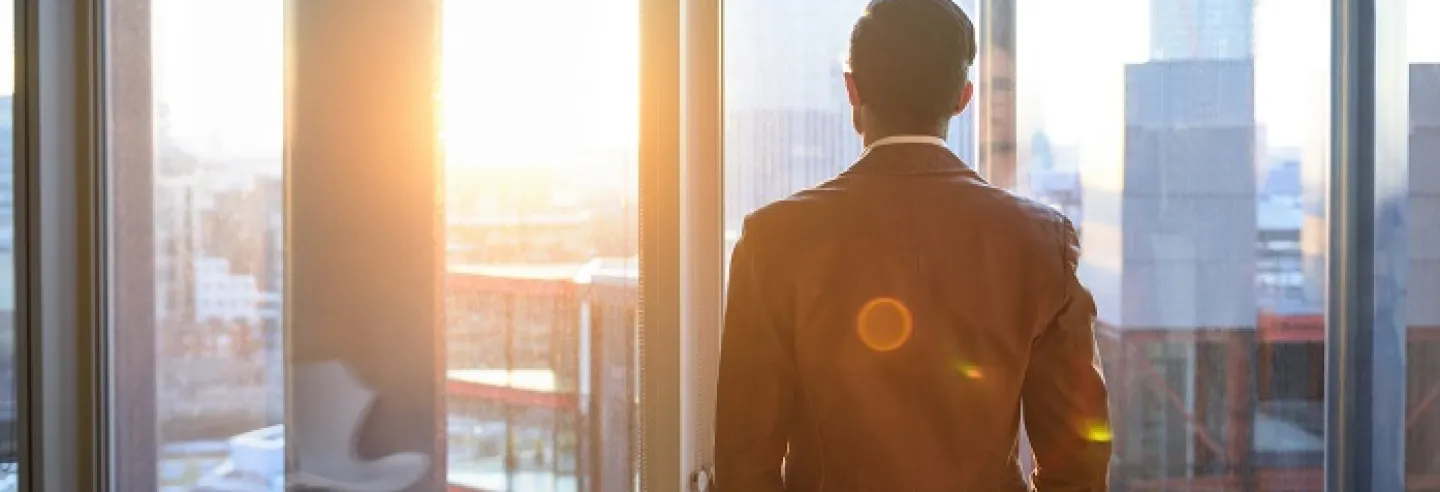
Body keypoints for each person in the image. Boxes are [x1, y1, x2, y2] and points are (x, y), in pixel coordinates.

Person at [713, 1, 1111, 490]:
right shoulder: (1039, 242)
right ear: (962, 98)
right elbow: (1079, 463)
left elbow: (744, 467)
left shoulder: (773, 242)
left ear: (852, 89)